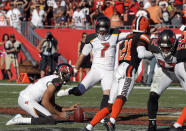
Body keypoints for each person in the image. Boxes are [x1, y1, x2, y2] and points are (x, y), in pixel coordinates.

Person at [83, 16, 153, 131]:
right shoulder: (143, 36)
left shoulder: (127, 38)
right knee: (122, 97)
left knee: (110, 104)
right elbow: (141, 54)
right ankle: (111, 122)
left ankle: (89, 126)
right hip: (129, 69)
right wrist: (154, 53)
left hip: (119, 68)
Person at [57, 16, 130, 120]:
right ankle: (69, 91)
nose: (102, 34)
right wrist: (76, 69)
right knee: (79, 91)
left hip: (109, 71)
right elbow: (83, 55)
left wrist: (140, 33)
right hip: (96, 69)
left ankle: (101, 117)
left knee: (107, 94)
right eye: (100, 31)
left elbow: (129, 35)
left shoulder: (115, 35)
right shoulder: (92, 39)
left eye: (104, 31)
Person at [6, 63, 78, 125]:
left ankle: (35, 117)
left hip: (29, 99)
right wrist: (59, 114)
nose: (69, 77)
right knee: (49, 120)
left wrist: (69, 108)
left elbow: (52, 104)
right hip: (26, 99)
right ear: (62, 73)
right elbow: (45, 102)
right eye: (67, 74)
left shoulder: (55, 80)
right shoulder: (56, 81)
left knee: (47, 117)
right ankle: (19, 119)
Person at [147, 29, 179, 131]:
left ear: (173, 44)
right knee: (153, 95)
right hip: (165, 72)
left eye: (168, 47)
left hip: (180, 72)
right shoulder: (153, 45)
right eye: (163, 47)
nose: (165, 50)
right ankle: (152, 123)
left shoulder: (180, 48)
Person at [168, 25, 186, 131]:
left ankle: (178, 124)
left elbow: (173, 51)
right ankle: (177, 125)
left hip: (178, 66)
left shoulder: (181, 36)